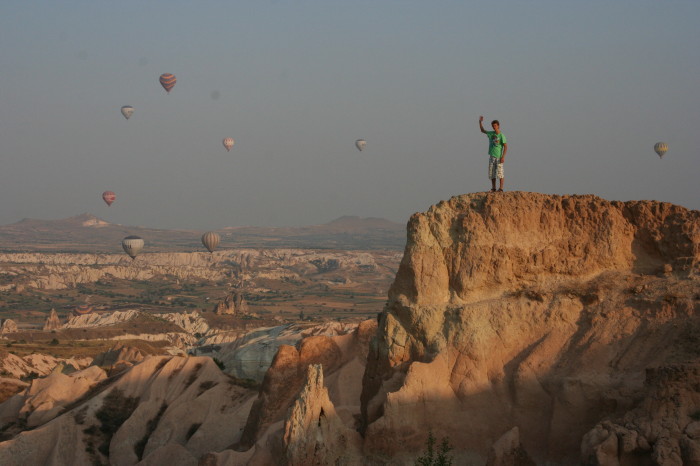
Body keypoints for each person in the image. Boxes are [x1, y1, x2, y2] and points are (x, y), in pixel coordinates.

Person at [479, 116, 508, 192]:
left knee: (500, 173)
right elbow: (482, 130)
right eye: (493, 126)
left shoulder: (501, 136)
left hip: (499, 157)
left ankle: (501, 188)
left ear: (498, 126)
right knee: (492, 173)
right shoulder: (491, 134)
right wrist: (480, 122)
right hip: (492, 156)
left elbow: (505, 146)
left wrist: (503, 157)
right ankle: (493, 188)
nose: (494, 127)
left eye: (495, 125)